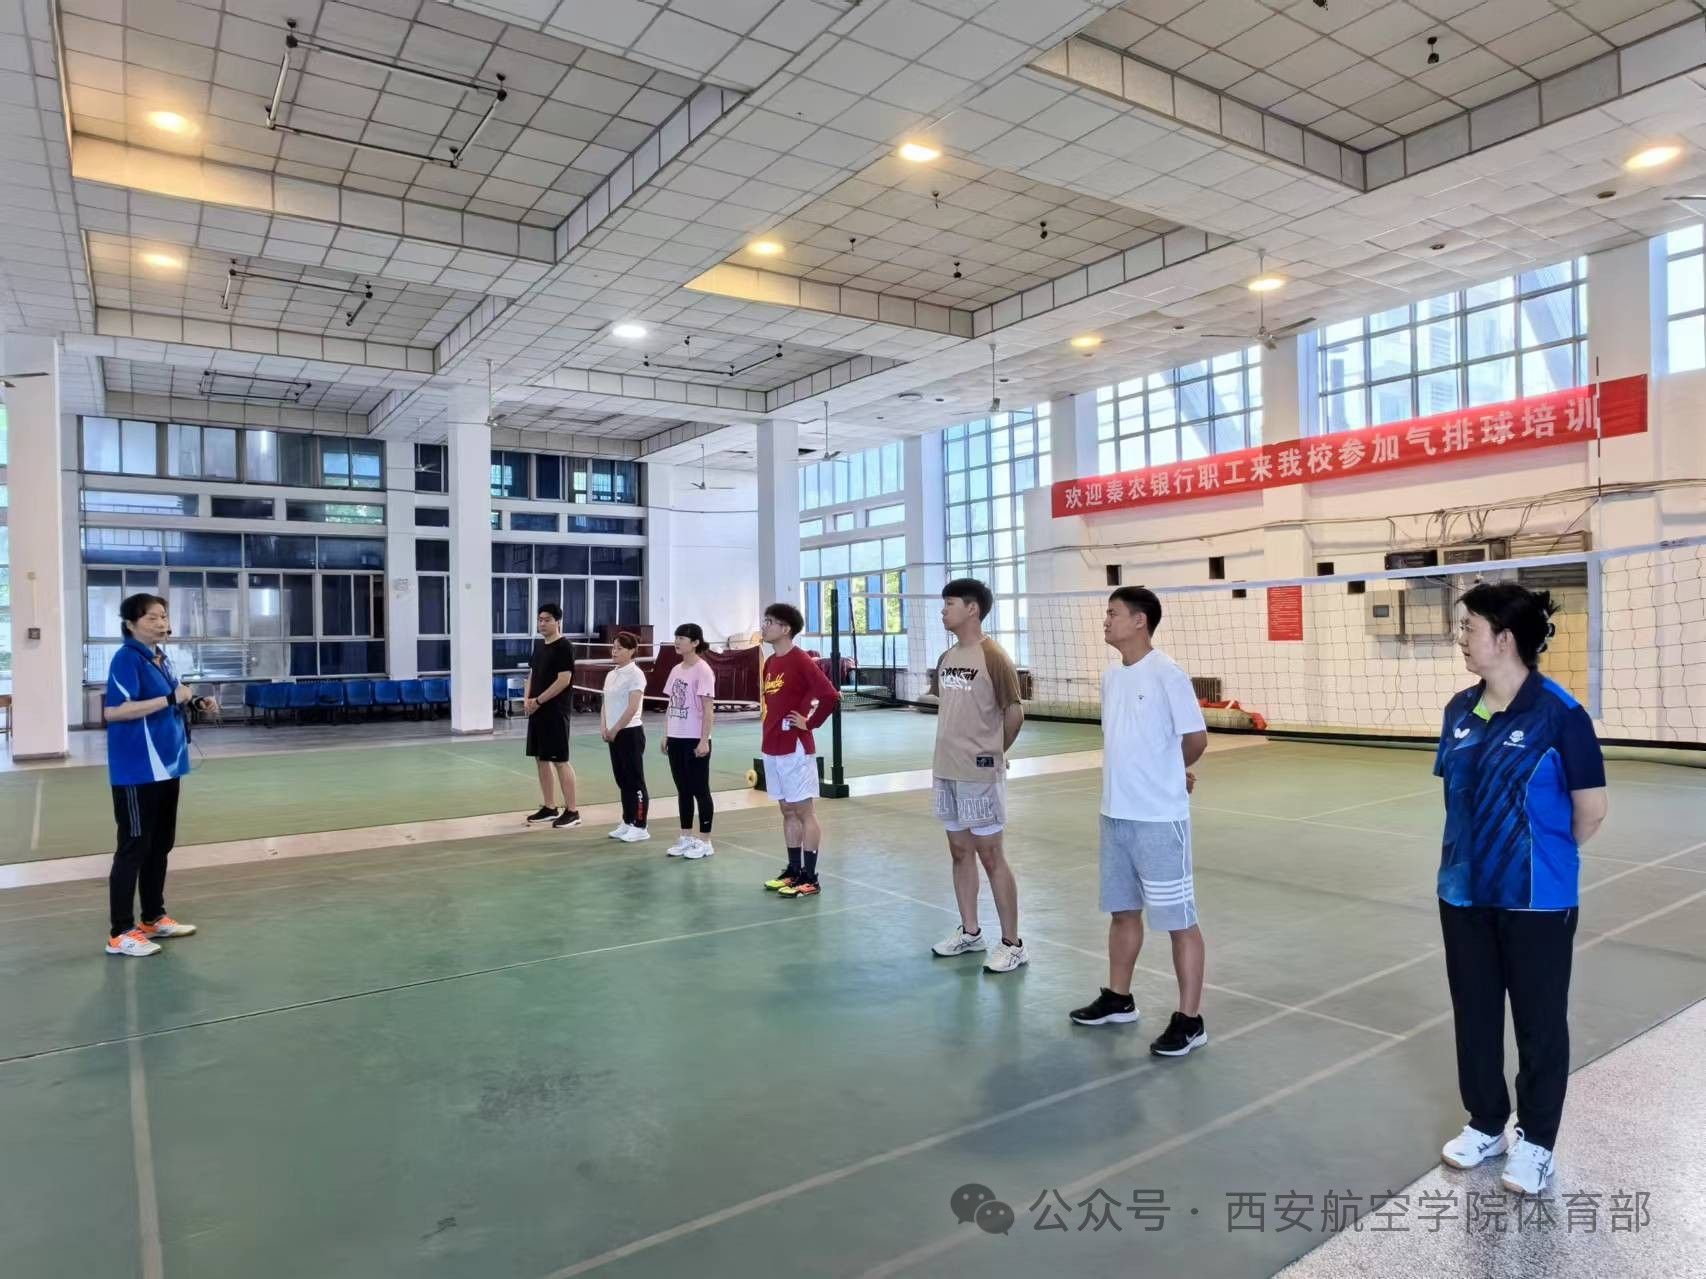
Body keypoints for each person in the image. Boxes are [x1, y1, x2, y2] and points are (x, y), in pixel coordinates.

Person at [1434, 582, 1606, 1197]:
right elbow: (1455, 794)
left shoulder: (1561, 714)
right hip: (1463, 893)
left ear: (1504, 638)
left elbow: (1591, 810)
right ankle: (1486, 1122)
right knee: (1475, 1013)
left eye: (1469, 627)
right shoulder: (1460, 710)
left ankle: (1536, 1140)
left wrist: (1545, 858)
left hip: (1537, 899)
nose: (1461, 637)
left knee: (1538, 1022)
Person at [1069, 587, 1210, 1058]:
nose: (1105, 621)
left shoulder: (1168, 674)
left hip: (1158, 820)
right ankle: (1119, 998)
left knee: (1179, 921)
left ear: (1139, 621)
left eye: (1113, 613)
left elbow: (1196, 739)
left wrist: (1171, 772)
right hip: (1115, 816)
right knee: (1123, 911)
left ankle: (1190, 1021)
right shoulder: (1111, 677)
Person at [102, 593, 216, 957]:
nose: (161, 623)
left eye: (163, 616)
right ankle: (121, 932)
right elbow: (115, 712)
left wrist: (194, 701)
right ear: (130, 624)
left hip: (168, 766)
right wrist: (170, 699)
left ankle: (153, 917)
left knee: (160, 844)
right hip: (138, 769)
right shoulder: (126, 658)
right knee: (133, 847)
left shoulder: (161, 658)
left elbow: (174, 694)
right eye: (151, 618)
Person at [927, 578, 1028, 973]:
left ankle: (1013, 944)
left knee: (990, 854)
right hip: (946, 770)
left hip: (979, 774)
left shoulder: (994, 656)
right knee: (959, 851)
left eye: (950, 603)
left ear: (972, 609)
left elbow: (1014, 713)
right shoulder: (947, 656)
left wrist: (995, 753)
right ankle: (971, 933)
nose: (943, 610)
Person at [756, 602, 840, 898]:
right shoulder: (770, 662)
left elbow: (830, 696)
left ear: (785, 628)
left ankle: (810, 877)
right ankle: (793, 871)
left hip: (795, 748)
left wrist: (810, 723)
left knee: (804, 811)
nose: (764, 626)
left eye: (770, 621)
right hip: (772, 746)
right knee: (787, 810)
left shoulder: (801, 659)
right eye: (765, 620)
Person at [662, 623, 717, 859]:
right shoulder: (676, 669)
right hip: (676, 737)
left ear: (695, 643)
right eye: (676, 637)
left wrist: (704, 740)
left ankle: (705, 841)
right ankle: (685, 837)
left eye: (682, 638)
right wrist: (666, 733)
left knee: (700, 790)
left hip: (695, 738)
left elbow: (708, 709)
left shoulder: (703, 670)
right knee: (682, 790)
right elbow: (670, 704)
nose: (677, 641)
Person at [523, 603, 580, 830]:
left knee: (560, 760)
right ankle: (549, 807)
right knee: (541, 758)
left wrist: (538, 701)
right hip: (537, 711)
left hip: (555, 712)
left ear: (558, 621)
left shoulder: (564, 647)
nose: (542, 623)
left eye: (547, 619)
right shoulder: (539, 646)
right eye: (540, 620)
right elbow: (532, 674)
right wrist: (527, 699)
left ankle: (572, 811)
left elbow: (563, 680)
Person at [601, 631, 651, 843]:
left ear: (631, 651)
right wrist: (604, 727)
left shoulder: (636, 675)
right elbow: (605, 703)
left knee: (635, 780)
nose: (614, 652)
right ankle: (627, 820)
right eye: (613, 648)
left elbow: (632, 708)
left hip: (630, 732)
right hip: (613, 734)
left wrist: (616, 729)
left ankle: (640, 825)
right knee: (622, 779)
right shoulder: (611, 675)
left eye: (619, 648)